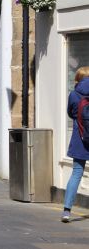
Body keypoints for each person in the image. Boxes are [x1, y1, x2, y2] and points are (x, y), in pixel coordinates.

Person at [61, 66, 89, 222]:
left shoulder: (74, 94)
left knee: (76, 173)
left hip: (80, 139)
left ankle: (66, 211)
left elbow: (71, 113)